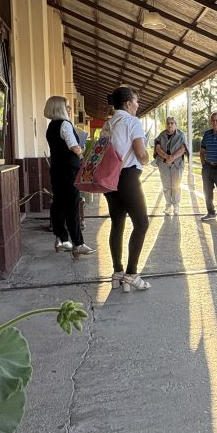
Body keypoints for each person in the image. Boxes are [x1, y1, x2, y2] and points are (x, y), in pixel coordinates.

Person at [103, 86, 151, 292]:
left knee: (117, 224)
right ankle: (131, 274)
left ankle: (117, 272)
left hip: (109, 180)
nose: (138, 105)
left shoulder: (108, 124)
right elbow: (141, 154)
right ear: (128, 103)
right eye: (136, 101)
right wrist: (148, 158)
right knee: (141, 223)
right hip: (129, 178)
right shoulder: (132, 122)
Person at [43, 95, 93, 257]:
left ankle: (62, 239)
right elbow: (74, 147)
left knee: (58, 203)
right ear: (59, 108)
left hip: (57, 169)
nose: (70, 109)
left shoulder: (51, 126)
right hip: (69, 170)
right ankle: (78, 243)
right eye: (67, 106)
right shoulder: (65, 124)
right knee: (72, 206)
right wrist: (82, 149)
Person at [154, 115, 188, 216]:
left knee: (176, 186)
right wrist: (166, 157)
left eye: (172, 123)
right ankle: (168, 205)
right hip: (164, 164)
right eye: (168, 123)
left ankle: (176, 206)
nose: (170, 125)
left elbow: (183, 149)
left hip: (177, 164)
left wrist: (172, 157)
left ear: (175, 125)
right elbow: (157, 148)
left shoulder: (181, 135)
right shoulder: (161, 135)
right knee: (166, 186)